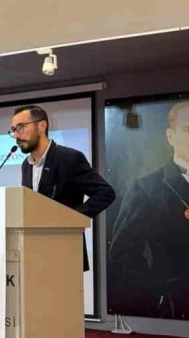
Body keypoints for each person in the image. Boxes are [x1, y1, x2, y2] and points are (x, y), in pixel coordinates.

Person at [108, 100, 189, 322]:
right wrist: (157, 297)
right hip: (179, 311)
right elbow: (123, 256)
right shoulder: (146, 188)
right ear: (170, 136)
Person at [10, 105, 116, 271]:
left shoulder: (69, 158)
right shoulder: (26, 165)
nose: (16, 135)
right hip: (35, 253)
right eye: (13, 130)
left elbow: (106, 193)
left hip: (66, 250)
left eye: (21, 128)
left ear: (41, 126)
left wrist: (72, 218)